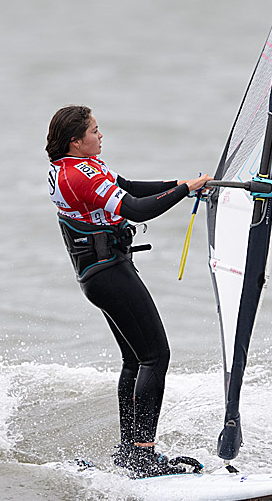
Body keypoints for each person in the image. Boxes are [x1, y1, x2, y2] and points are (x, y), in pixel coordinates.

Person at [46, 104, 211, 478]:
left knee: (135, 360)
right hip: (109, 273)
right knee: (156, 355)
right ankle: (143, 456)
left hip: (101, 272)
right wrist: (184, 189)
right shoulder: (81, 175)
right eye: (94, 131)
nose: (100, 135)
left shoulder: (71, 168)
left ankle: (130, 451)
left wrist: (183, 186)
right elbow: (135, 209)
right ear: (76, 141)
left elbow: (131, 187)